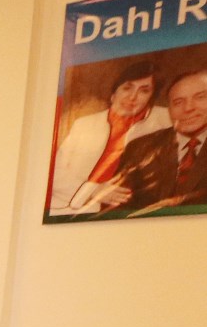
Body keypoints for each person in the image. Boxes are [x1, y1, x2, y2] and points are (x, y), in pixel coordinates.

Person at [48, 61, 169, 215]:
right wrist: (93, 191)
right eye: (127, 88)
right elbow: (55, 173)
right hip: (69, 208)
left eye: (144, 91)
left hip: (126, 211)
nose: (132, 97)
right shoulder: (84, 124)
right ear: (114, 92)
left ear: (152, 98)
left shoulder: (166, 120)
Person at [100, 67, 207, 214]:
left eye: (200, 97)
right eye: (178, 102)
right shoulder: (139, 148)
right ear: (169, 109)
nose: (188, 108)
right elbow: (114, 209)